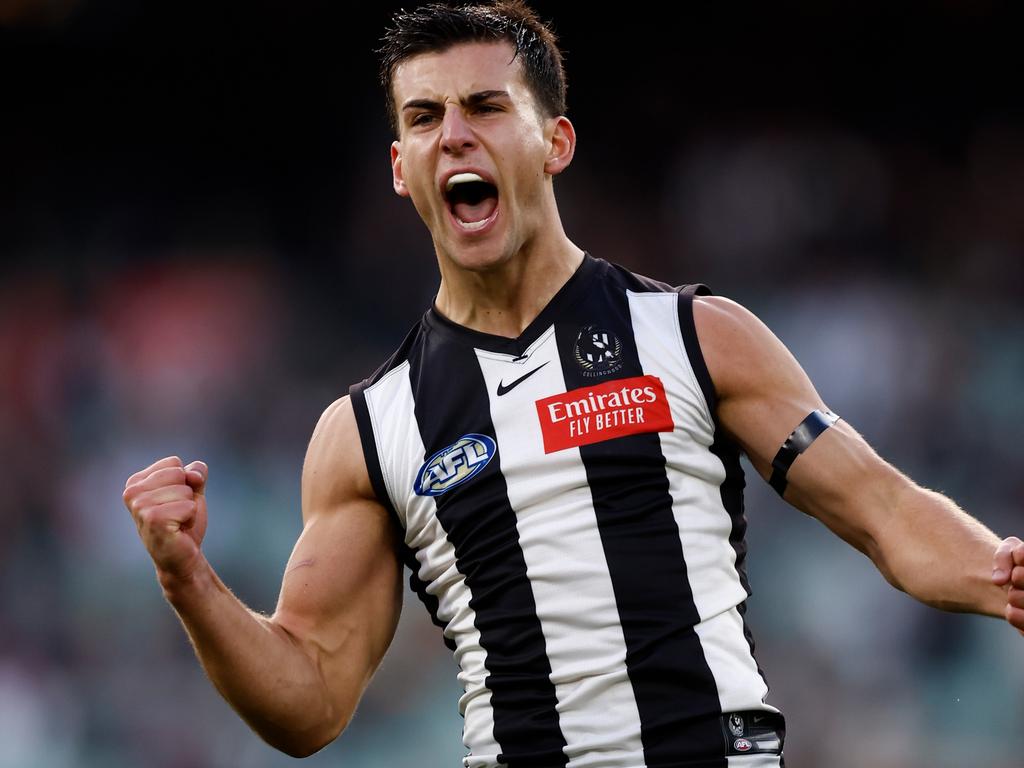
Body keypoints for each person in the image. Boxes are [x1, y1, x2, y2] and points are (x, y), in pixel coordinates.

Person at [122, 2, 1024, 766]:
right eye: (425, 117)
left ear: (555, 140)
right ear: (401, 168)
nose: (455, 135)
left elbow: (885, 509)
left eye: (485, 106)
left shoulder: (696, 335)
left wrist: (1001, 574)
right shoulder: (368, 429)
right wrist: (187, 580)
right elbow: (309, 700)